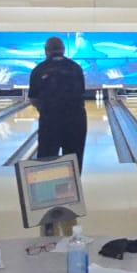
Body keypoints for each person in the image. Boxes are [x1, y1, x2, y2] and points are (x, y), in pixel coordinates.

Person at [28, 36, 88, 172]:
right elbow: (81, 94)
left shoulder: (38, 69)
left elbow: (33, 99)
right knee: (74, 162)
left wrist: (46, 110)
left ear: (46, 50)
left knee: (47, 162)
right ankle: (74, 184)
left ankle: (48, 184)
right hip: (76, 122)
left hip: (50, 122)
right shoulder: (76, 68)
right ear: (63, 49)